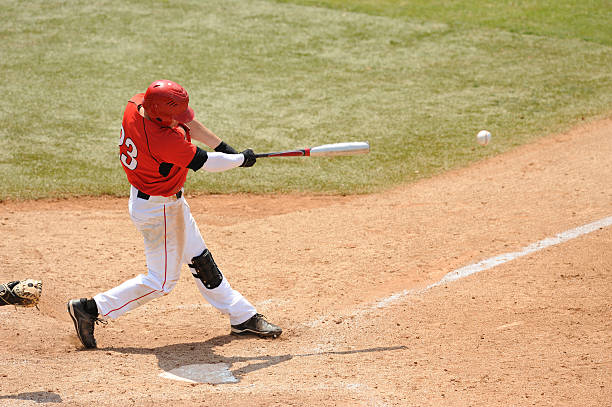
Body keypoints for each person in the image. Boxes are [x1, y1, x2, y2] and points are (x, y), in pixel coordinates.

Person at [67, 80, 282, 349]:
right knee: (161, 282)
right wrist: (240, 159)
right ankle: (91, 308)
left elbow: (189, 124)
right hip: (160, 210)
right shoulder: (160, 139)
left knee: (201, 260)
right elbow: (206, 163)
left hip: (161, 202)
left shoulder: (138, 104)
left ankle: (242, 316)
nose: (179, 121)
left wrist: (223, 146)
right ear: (160, 114)